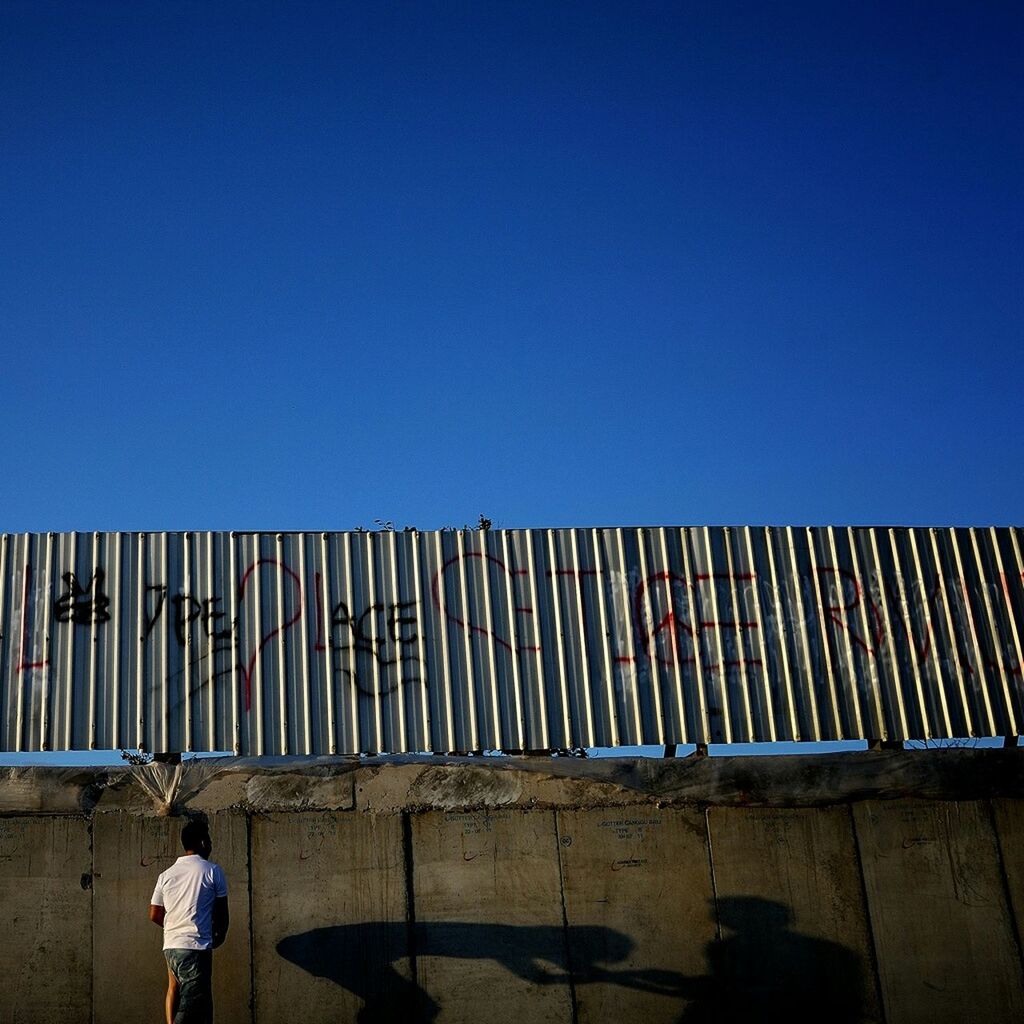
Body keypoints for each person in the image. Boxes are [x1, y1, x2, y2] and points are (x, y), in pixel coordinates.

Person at [148, 820, 229, 1024]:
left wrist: (176, 926)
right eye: (208, 840)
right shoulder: (212, 871)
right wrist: (219, 936)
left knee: (174, 988)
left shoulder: (166, 875)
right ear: (202, 842)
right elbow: (222, 913)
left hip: (171, 946)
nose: (210, 844)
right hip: (195, 946)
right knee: (193, 1004)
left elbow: (154, 913)